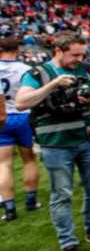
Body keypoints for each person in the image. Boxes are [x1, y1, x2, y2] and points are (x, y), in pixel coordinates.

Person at [15, 31, 90, 251]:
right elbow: (21, 103)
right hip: (56, 143)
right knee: (61, 194)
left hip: (88, 138)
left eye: (82, 54)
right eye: (74, 55)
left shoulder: (88, 68)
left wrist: (88, 98)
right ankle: (68, 244)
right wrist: (53, 85)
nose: (79, 59)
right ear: (58, 51)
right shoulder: (38, 73)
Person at [0, 36, 41, 222]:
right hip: (23, 116)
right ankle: (31, 201)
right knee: (29, 159)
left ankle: (9, 208)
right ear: (18, 49)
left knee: (4, 164)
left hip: (3, 117)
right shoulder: (26, 69)